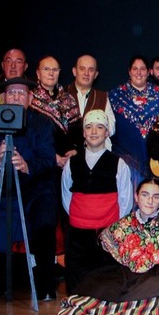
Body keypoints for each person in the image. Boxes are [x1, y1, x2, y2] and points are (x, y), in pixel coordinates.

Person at [56, 177, 159, 315]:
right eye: (145, 195)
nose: (150, 201)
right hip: (127, 276)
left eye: (156, 197)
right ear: (136, 197)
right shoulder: (123, 225)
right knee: (96, 285)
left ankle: (138, 301)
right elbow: (105, 248)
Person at [0, 76, 58, 300]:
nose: (16, 97)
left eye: (22, 93)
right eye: (12, 93)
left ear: (30, 98)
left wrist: (26, 165)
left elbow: (49, 161)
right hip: (0, 190)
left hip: (35, 188)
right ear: (3, 97)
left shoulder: (42, 124)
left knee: (45, 221)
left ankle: (45, 284)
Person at [60, 109, 133, 293]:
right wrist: (81, 216)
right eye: (89, 127)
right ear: (83, 132)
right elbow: (66, 194)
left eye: (99, 127)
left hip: (106, 231)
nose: (94, 132)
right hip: (78, 233)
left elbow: (125, 199)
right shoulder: (72, 163)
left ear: (106, 132)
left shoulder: (119, 164)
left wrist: (112, 226)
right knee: (78, 277)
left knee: (105, 278)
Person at [109, 55, 159, 186]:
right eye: (135, 69)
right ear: (129, 71)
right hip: (124, 159)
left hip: (154, 161)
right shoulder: (116, 95)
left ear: (148, 72)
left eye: (142, 69)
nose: (139, 72)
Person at [30, 55, 81, 170]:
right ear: (38, 73)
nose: (51, 73)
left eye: (55, 70)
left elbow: (79, 132)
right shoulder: (30, 99)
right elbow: (29, 136)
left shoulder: (68, 99)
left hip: (69, 162)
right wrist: (51, 155)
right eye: (46, 69)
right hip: (41, 161)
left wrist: (76, 151)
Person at [66, 54, 116, 133]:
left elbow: (111, 127)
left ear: (95, 74)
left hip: (94, 145)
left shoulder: (102, 97)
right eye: (82, 69)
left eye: (91, 70)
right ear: (74, 71)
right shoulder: (62, 94)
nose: (86, 73)